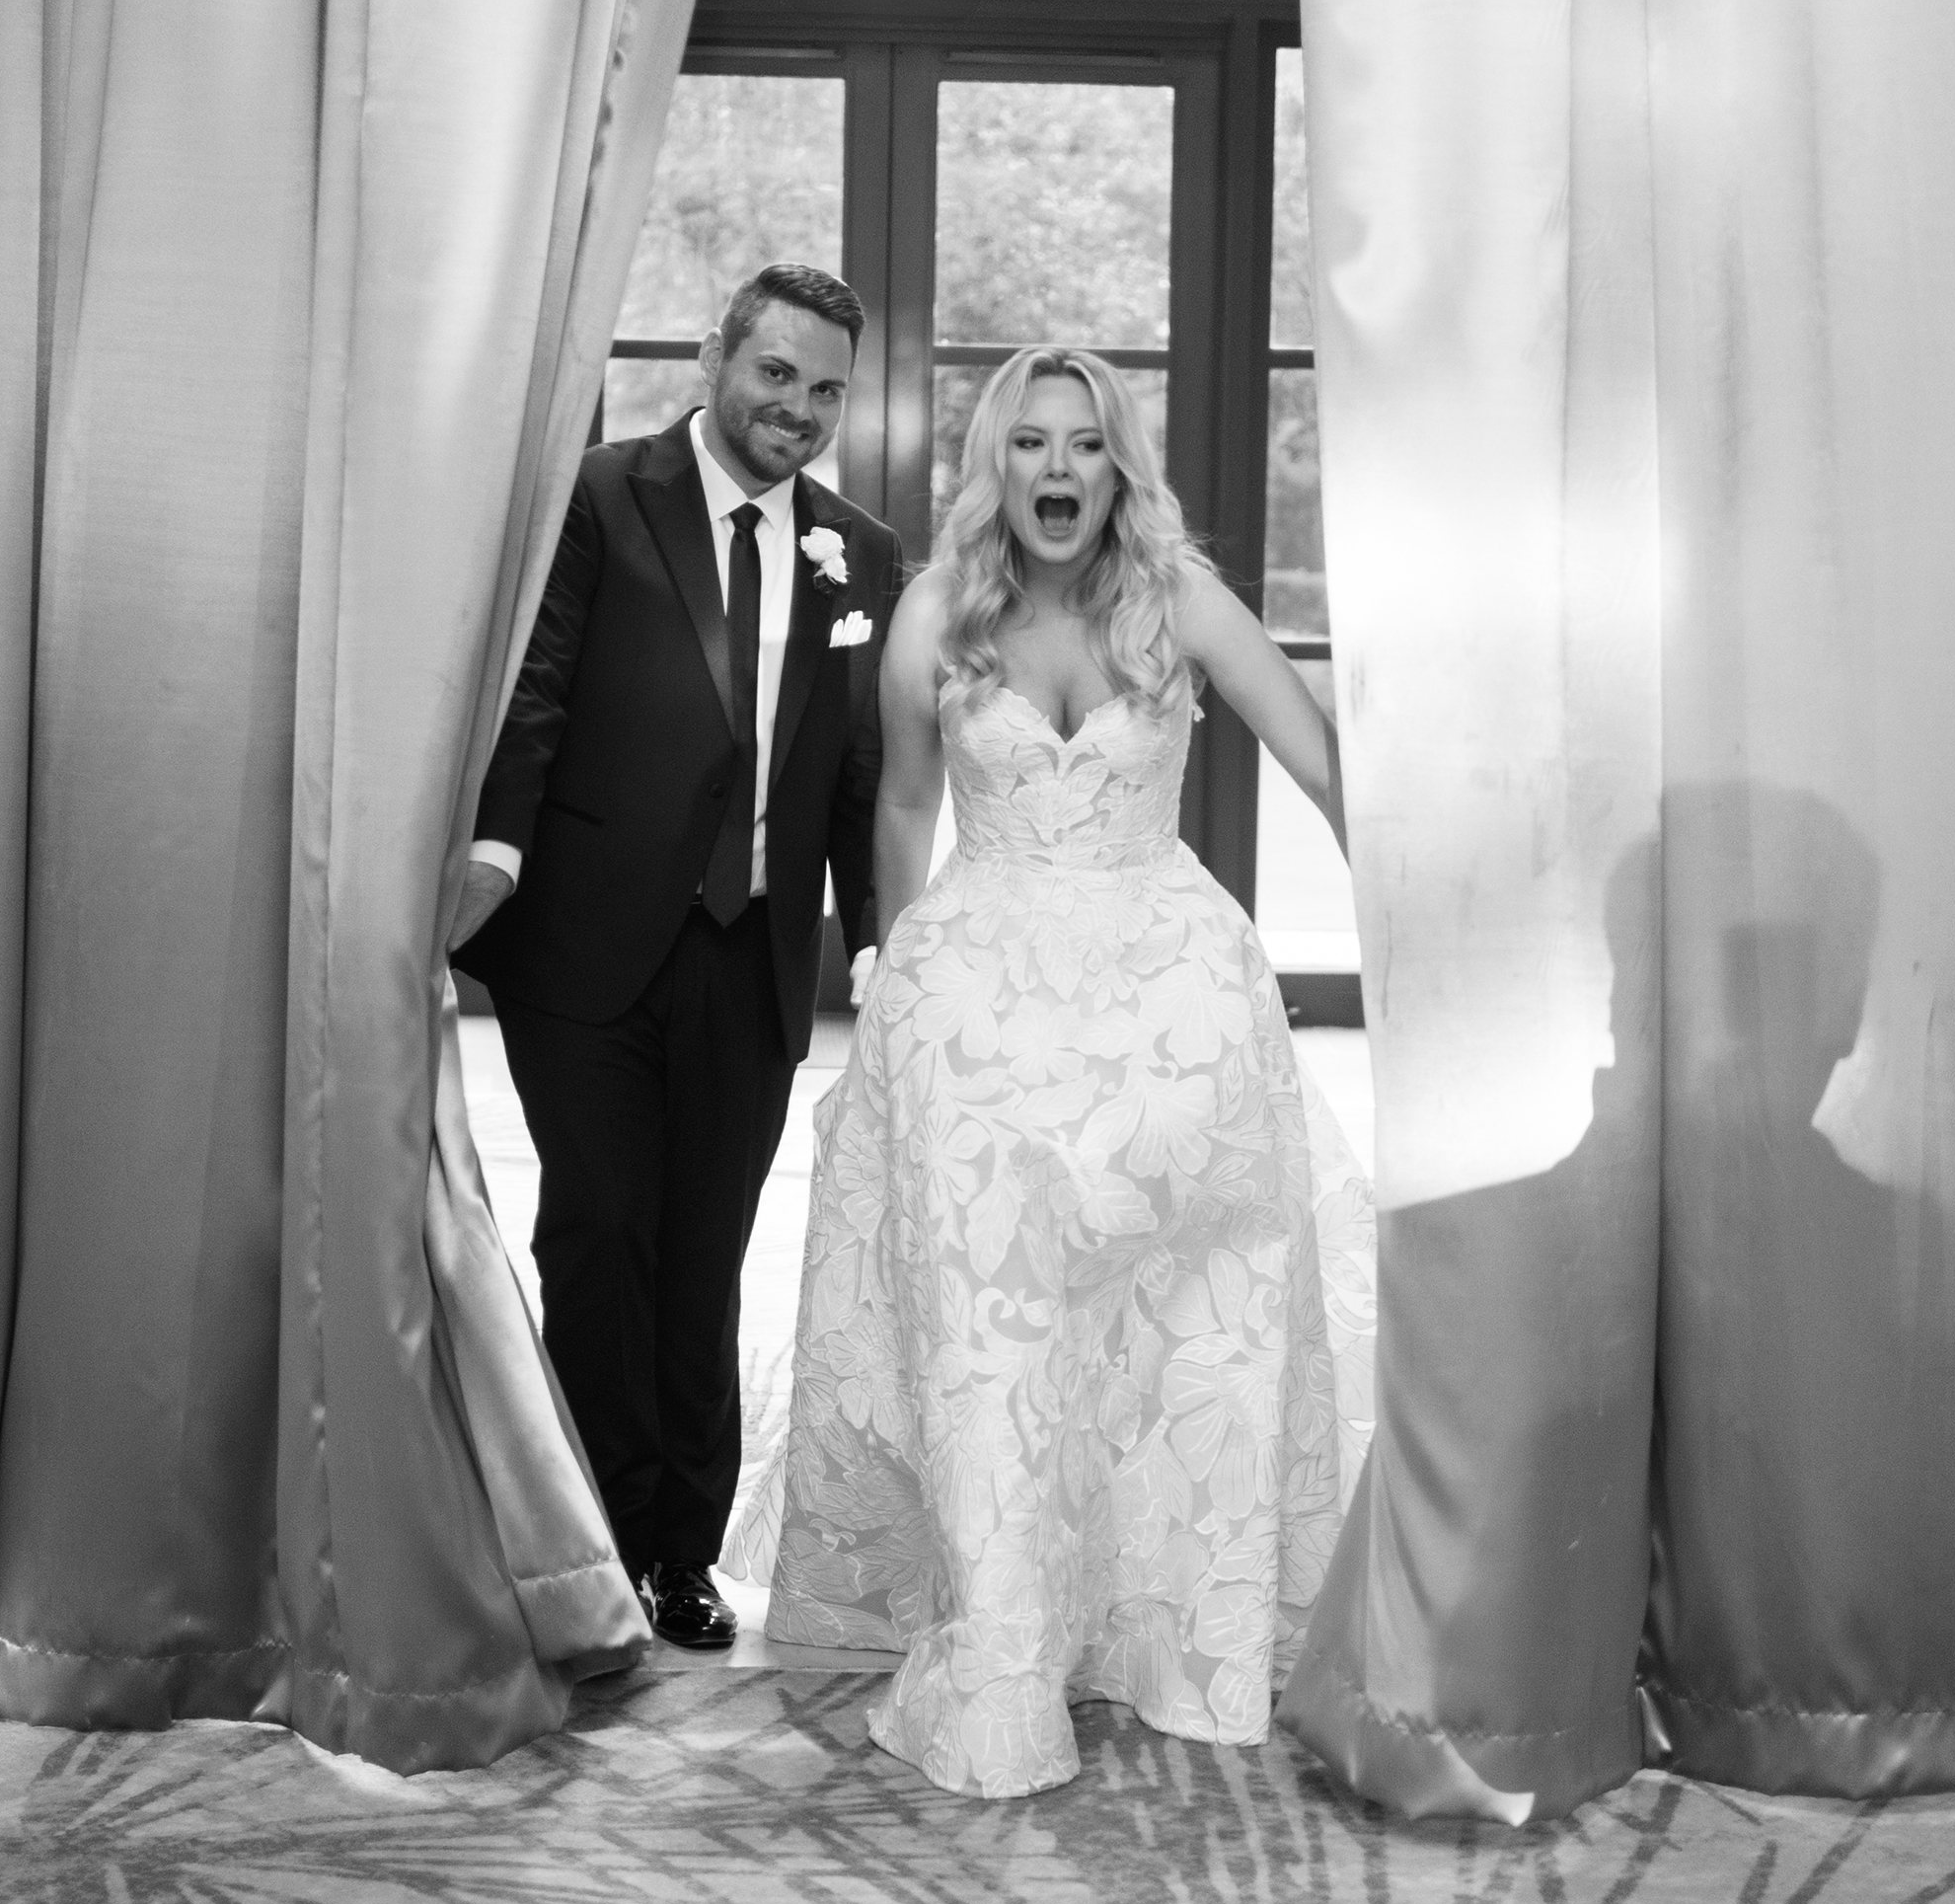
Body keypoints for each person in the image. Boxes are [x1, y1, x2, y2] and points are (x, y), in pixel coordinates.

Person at [728, 346, 1375, 1796]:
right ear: (998, 464)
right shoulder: (937, 609)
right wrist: (896, 985)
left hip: (1174, 1012)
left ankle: (1166, 1632)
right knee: (998, 1339)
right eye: (1030, 442)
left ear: (1117, 464)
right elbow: (905, 806)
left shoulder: (1179, 599)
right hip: (987, 1014)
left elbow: (1323, 759)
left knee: (1177, 1336)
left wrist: (1411, 929)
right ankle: (1008, 1645)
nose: (1059, 468)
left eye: (1085, 443)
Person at [450, 263, 905, 1652]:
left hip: (750, 959)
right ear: (717, 358)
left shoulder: (861, 556)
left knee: (705, 1257)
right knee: (599, 1237)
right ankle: (588, 1542)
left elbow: (859, 776)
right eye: (777, 373)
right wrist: (494, 858)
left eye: (826, 389)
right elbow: (535, 692)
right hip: (584, 946)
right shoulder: (599, 497)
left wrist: (879, 948)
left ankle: (681, 1555)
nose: (799, 409)